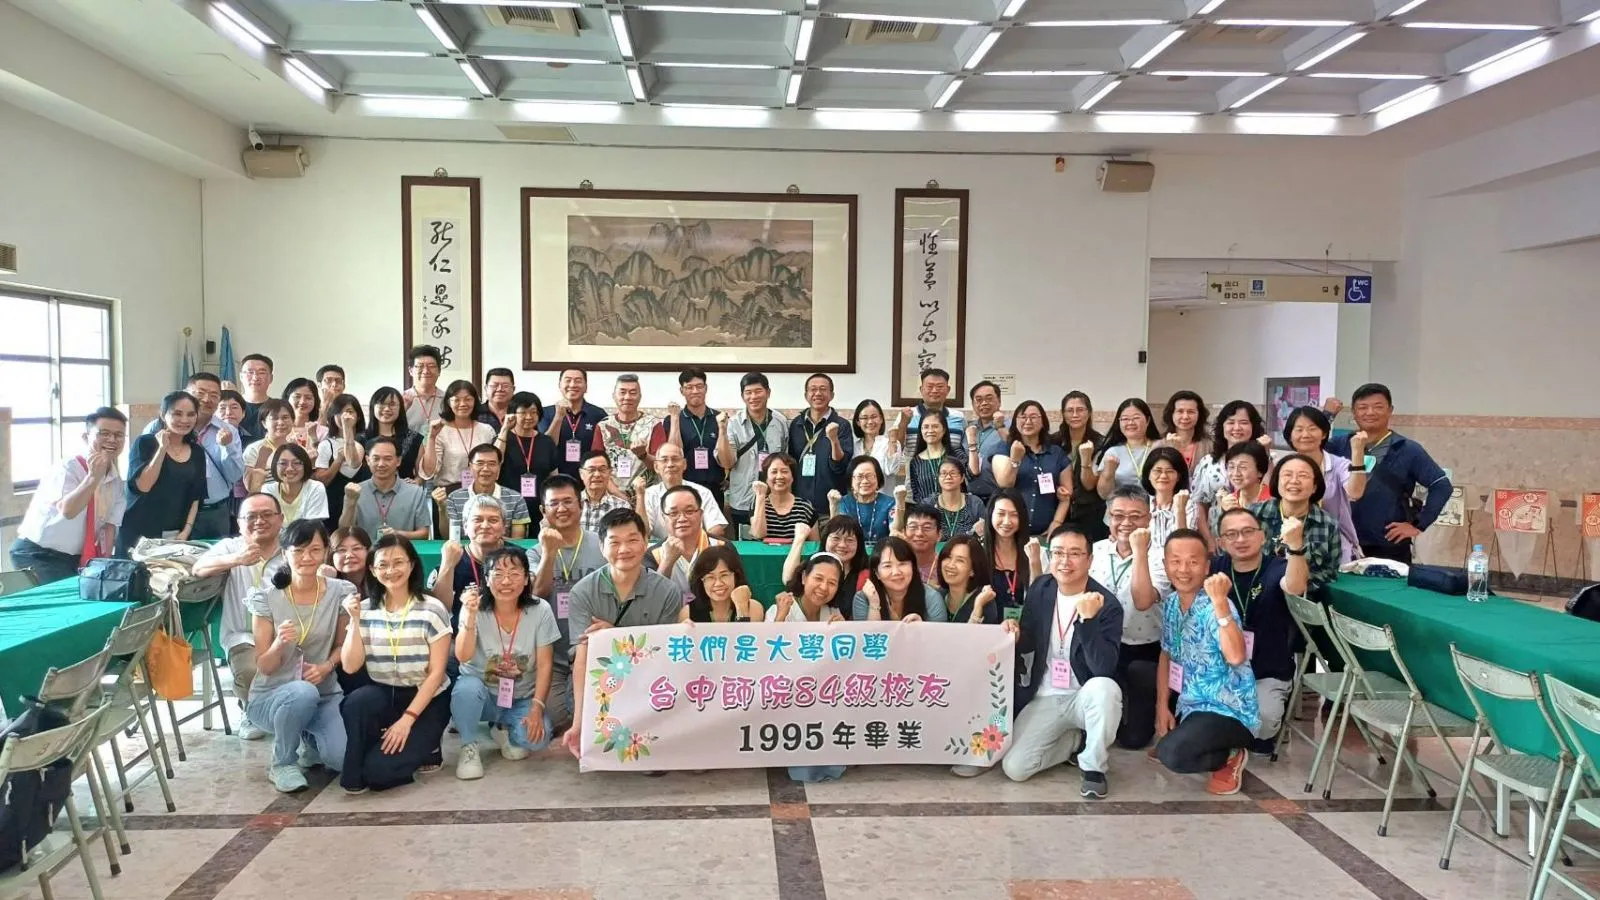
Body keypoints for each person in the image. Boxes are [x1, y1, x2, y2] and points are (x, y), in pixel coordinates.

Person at [1002, 525, 1124, 796]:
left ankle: (1094, 767)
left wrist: (1088, 621)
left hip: (1084, 697)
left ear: (1089, 560)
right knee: (1015, 768)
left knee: (1105, 688)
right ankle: (1074, 741)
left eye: (1075, 554)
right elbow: (1029, 639)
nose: (1065, 561)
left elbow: (1103, 668)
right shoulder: (1041, 588)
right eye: (1058, 553)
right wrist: (1015, 632)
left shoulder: (1107, 604)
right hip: (1046, 695)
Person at [560, 508, 690, 756]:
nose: (624, 549)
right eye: (614, 542)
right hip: (600, 680)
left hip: (648, 679)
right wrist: (578, 723)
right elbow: (583, 658)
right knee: (587, 718)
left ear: (645, 542)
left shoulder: (667, 591)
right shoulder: (583, 592)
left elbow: (662, 655)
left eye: (632, 540)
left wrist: (613, 635)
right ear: (601, 547)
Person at [244, 519, 354, 792]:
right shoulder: (266, 598)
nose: (307, 557)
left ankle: (308, 738)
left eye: (315, 550)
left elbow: (343, 645)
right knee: (302, 692)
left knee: (341, 760)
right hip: (272, 697)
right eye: (299, 550)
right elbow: (264, 666)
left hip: (325, 694)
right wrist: (279, 643)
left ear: (326, 552)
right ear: (285, 554)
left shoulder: (341, 592)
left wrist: (327, 666)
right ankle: (282, 763)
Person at [338, 534, 453, 793]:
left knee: (379, 773)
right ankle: (367, 758)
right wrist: (354, 621)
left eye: (398, 562)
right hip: (385, 692)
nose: (391, 570)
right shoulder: (365, 609)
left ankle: (428, 745)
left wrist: (407, 720)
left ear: (412, 565)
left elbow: (436, 674)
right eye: (383, 564)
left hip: (427, 698)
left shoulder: (432, 609)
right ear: (372, 569)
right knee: (357, 703)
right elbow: (350, 666)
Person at [1152, 531, 1257, 795]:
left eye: (1193, 562)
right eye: (1176, 561)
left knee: (1173, 755)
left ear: (1207, 566)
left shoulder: (1217, 607)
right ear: (1165, 565)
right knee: (1138, 675)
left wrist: (1220, 603)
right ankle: (1189, 737)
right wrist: (1161, 706)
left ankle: (1231, 754)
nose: (1183, 570)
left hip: (1227, 709)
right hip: (1191, 703)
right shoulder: (1172, 603)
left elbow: (1236, 656)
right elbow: (1166, 654)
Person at [450, 548, 558, 780]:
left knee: (536, 739)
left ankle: (502, 730)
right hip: (484, 695)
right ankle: (469, 745)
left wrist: (537, 707)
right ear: (486, 580)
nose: (506, 581)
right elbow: (462, 656)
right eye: (497, 574)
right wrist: (469, 617)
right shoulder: (474, 608)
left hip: (520, 696)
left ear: (526, 578)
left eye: (514, 574)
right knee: (466, 689)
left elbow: (545, 664)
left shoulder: (540, 610)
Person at [193, 492, 286, 740]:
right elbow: (198, 568)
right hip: (244, 636)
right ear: (239, 522)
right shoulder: (230, 547)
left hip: (288, 633)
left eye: (267, 515)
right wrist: (236, 560)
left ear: (280, 519)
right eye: (251, 516)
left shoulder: (292, 549)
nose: (259, 521)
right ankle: (251, 710)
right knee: (249, 669)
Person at [1213, 507, 1305, 754]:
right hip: (1224, 670)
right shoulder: (1215, 567)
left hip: (1267, 670)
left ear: (1263, 536)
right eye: (1231, 534)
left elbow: (1295, 586)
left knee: (1261, 725)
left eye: (1248, 531)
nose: (1240, 539)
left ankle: (1265, 719)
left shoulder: (1278, 566)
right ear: (1221, 542)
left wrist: (1296, 547)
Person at [1326, 384, 1450, 564]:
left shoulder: (1408, 449)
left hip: (1388, 545)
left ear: (1390, 410)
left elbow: (1441, 485)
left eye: (1378, 407)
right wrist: (1327, 415)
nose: (1370, 412)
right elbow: (1303, 443)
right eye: (1362, 407)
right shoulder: (1338, 445)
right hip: (1340, 542)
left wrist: (1418, 524)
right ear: (1353, 412)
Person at [526, 474, 606, 733]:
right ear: (543, 510)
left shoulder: (603, 543)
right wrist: (549, 552)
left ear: (581, 505)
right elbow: (536, 594)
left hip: (596, 650)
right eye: (554, 503)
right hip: (555, 658)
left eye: (568, 501)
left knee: (598, 714)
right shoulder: (534, 552)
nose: (561, 508)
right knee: (554, 720)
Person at [12, 408, 128, 583]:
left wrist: (105, 565)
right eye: (104, 433)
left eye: (118, 435)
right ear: (86, 437)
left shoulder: (115, 480)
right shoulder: (68, 468)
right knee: (63, 598)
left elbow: (109, 527)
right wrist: (92, 478)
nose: (112, 440)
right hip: (40, 553)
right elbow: (68, 511)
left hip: (76, 558)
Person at [1089, 486, 1162, 750]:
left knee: (1133, 740)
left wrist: (1139, 551)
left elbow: (1143, 601)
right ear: (1107, 517)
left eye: (1135, 516)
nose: (1126, 523)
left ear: (1149, 518)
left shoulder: (1162, 556)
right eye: (1118, 515)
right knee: (1104, 725)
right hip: (1104, 646)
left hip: (1145, 650)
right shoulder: (1094, 551)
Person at [143, 373, 244, 540]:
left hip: (215, 512)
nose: (207, 399)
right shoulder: (157, 429)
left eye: (214, 395)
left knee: (217, 556)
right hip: (175, 512)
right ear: (186, 393)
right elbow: (145, 472)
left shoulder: (228, 431)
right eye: (200, 393)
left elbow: (234, 476)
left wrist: (227, 447)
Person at [119, 391, 208, 555]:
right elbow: (143, 486)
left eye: (190, 414)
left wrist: (186, 531)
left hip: (177, 536)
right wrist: (162, 449)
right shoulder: (145, 443)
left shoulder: (197, 451)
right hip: (139, 534)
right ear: (163, 414)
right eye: (177, 414)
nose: (184, 420)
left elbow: (196, 496)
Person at [1245, 454, 1340, 592]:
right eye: (1287, 475)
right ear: (1277, 481)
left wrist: (1297, 581)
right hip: (1253, 593)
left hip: (1302, 597)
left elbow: (1330, 572)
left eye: (1303, 476)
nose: (1294, 481)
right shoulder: (1253, 514)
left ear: (1314, 486)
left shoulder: (1328, 524)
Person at [1284, 406, 1365, 564]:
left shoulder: (1338, 465)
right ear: (1290, 435)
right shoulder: (1283, 466)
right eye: (1299, 429)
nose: (1305, 435)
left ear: (1324, 433)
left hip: (1335, 549)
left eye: (1312, 429)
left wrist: (1357, 453)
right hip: (1292, 545)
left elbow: (1355, 493)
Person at [1190, 400, 1270, 549]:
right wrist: (1209, 540)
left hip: (1259, 539)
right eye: (1231, 422)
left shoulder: (1269, 459)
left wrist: (1265, 454)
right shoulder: (1208, 463)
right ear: (1222, 426)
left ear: (1253, 426)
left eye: (1244, 422)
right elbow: (1199, 505)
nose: (1237, 428)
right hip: (1217, 536)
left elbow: (1271, 491)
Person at [720, 372, 788, 530]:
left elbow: (786, 460)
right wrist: (722, 431)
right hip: (743, 498)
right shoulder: (733, 423)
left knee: (773, 540)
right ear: (742, 396)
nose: (753, 397)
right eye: (748, 392)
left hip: (774, 498)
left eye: (758, 391)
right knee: (744, 540)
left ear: (768, 393)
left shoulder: (780, 422)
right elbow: (727, 462)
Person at [430, 493, 507, 631]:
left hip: (507, 634)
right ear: (465, 526)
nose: (485, 525)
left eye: (493, 520)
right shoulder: (453, 556)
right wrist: (448, 565)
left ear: (504, 527)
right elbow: (439, 609)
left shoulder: (517, 558)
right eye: (477, 519)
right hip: (461, 634)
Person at [995, 400, 1071, 536]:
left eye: (1033, 417)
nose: (1028, 421)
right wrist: (1015, 460)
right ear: (1015, 421)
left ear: (1043, 422)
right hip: (1011, 530)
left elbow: (1066, 494)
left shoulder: (1056, 453)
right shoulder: (1005, 448)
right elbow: (1005, 484)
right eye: (1023, 417)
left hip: (1046, 531)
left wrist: (1057, 522)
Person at [341, 435, 433, 541]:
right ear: (368, 460)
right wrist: (350, 502)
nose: (381, 464)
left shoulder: (415, 492)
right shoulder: (355, 492)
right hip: (366, 551)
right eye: (376, 459)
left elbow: (424, 533)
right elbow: (344, 531)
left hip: (402, 550)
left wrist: (398, 534)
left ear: (398, 461)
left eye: (387, 459)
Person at [655, 368, 724, 508]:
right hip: (683, 488)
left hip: (714, 488)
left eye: (699, 386)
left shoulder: (719, 418)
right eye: (689, 387)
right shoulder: (672, 419)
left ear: (706, 388)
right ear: (682, 391)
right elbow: (674, 451)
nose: (695, 391)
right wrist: (675, 419)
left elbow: (726, 456)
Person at [644, 485, 727, 594]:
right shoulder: (653, 554)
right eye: (673, 513)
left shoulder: (721, 546)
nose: (682, 519)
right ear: (664, 518)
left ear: (701, 515)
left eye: (689, 511)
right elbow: (650, 597)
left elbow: (738, 591)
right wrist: (667, 562)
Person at [789, 373, 852, 516]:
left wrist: (834, 440)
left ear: (832, 395)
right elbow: (791, 463)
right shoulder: (796, 424)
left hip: (831, 504)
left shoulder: (842, 425)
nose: (818, 393)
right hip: (799, 505)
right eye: (813, 389)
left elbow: (840, 466)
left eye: (823, 389)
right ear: (806, 395)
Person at [494, 391, 559, 529]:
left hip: (540, 507)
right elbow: (495, 461)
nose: (529, 417)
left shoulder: (546, 442)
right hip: (508, 506)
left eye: (533, 412)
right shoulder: (503, 438)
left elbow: (554, 477)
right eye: (523, 412)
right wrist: (505, 429)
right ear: (512, 414)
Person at [637, 444, 728, 541]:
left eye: (675, 459)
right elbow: (643, 532)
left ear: (684, 464)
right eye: (664, 460)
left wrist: (696, 545)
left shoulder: (702, 492)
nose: (670, 464)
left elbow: (716, 529)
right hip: (660, 548)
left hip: (696, 547)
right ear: (656, 466)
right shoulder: (649, 494)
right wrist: (640, 496)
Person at [422, 380, 496, 495]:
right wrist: (431, 438)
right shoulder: (439, 430)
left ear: (475, 401)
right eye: (456, 400)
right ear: (448, 402)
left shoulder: (487, 430)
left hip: (482, 493)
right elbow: (429, 472)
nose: (463, 404)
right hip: (447, 494)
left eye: (468, 399)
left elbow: (495, 464)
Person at [442, 444, 532, 539]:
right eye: (480, 463)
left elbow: (517, 541)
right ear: (470, 467)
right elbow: (450, 537)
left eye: (492, 464)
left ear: (499, 468)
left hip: (503, 549)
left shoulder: (516, 499)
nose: (485, 469)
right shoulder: (454, 498)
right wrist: (442, 509)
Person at [782, 517, 868, 618]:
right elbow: (788, 579)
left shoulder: (865, 575)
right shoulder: (815, 563)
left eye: (850, 540)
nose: (842, 545)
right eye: (836, 538)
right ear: (825, 539)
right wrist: (799, 539)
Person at [1052, 391, 1107, 543]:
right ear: (1063, 414)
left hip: (1090, 512)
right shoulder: (1052, 442)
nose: (1075, 415)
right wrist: (1056, 487)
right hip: (1058, 510)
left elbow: (1090, 485)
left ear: (1089, 413)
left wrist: (1086, 459)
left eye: (1080, 410)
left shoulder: (1101, 443)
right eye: (1070, 410)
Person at [853, 536, 946, 622]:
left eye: (902, 564)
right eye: (887, 566)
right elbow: (867, 633)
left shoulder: (931, 597)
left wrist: (921, 628)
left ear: (913, 567)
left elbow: (939, 634)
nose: (896, 572)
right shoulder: (863, 598)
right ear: (877, 573)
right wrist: (874, 605)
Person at [593, 374, 657, 497]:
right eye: (622, 392)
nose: (627, 397)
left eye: (633, 393)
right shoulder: (603, 426)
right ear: (614, 396)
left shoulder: (653, 424)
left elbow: (660, 465)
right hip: (611, 495)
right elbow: (597, 467)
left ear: (640, 397)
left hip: (646, 495)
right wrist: (618, 494)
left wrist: (643, 455)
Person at [541, 367, 608, 480]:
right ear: (559, 385)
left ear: (586, 387)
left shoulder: (598, 414)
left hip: (589, 478)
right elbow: (546, 446)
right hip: (554, 478)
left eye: (578, 381)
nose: (572, 385)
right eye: (568, 380)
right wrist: (558, 417)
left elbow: (604, 451)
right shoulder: (545, 413)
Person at [313, 394, 368, 528]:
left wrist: (347, 429)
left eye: (349, 411)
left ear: (358, 416)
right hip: (332, 505)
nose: (344, 416)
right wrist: (338, 461)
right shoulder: (326, 444)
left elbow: (353, 463)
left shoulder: (363, 441)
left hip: (361, 505)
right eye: (339, 412)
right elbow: (322, 480)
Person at [1093, 398, 1162, 499]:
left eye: (1136, 418)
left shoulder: (1160, 447)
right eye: (1125, 419)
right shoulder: (1113, 452)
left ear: (1147, 420)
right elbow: (1104, 494)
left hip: (1154, 507)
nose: (1130, 422)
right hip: (1121, 507)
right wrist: (1109, 472)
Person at [983, 489, 1035, 619]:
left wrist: (1035, 562)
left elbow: (1041, 597)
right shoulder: (978, 552)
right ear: (990, 514)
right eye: (1001, 514)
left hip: (1026, 627)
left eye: (1014, 515)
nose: (1007, 521)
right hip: (987, 627)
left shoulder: (1035, 551)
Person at [1207, 442, 1273, 537]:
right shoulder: (1229, 501)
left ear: (1260, 471)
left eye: (1243, 467)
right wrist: (1223, 512)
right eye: (1231, 467)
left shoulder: (1272, 500)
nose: (1236, 473)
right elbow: (1218, 536)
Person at [683, 544, 763, 623]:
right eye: (710, 577)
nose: (718, 583)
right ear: (701, 581)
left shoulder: (753, 608)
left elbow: (744, 631)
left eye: (724, 575)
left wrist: (742, 608)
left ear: (736, 576)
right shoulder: (687, 613)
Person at [899, 368, 967, 458]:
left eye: (940, 387)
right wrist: (903, 425)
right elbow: (896, 449)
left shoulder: (959, 417)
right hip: (915, 466)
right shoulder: (907, 415)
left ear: (948, 390)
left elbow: (965, 450)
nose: (934, 390)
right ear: (921, 389)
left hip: (950, 466)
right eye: (930, 386)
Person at [363, 387, 427, 482]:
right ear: (373, 407)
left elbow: (421, 475)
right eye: (381, 404)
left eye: (392, 404)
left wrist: (416, 483)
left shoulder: (415, 438)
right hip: (367, 490)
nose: (387, 409)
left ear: (400, 408)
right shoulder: (362, 438)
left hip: (404, 490)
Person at [1142, 447, 1198, 552]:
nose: (1163, 476)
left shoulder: (1188, 504)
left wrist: (1180, 510)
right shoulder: (1141, 504)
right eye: (1158, 471)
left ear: (1178, 476)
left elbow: (1185, 544)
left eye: (1170, 471)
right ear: (1148, 475)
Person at [934, 534, 999, 624]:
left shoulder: (985, 600)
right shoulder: (935, 596)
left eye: (960, 560)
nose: (951, 565)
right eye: (948, 557)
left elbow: (974, 633)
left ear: (973, 570)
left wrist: (978, 606)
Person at [750, 453, 815, 542]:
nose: (779, 476)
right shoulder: (758, 503)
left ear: (792, 477)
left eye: (784, 471)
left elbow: (815, 544)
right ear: (766, 478)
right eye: (774, 472)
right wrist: (761, 496)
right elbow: (758, 534)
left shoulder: (805, 507)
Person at [830, 456, 896, 542]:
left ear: (878, 478)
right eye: (859, 476)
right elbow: (835, 534)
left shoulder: (890, 503)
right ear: (851, 480)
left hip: (882, 549)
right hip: (850, 549)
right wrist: (833, 506)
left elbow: (896, 532)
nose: (865, 481)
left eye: (870, 476)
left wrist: (900, 503)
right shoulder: (843, 502)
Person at [768, 553, 847, 624]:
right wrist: (780, 618)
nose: (824, 587)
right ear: (804, 577)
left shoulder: (834, 613)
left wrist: (843, 628)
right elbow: (769, 635)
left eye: (832, 583)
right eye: (818, 578)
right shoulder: (780, 610)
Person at [963, 380, 1008, 503]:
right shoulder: (968, 429)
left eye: (989, 399)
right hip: (970, 499)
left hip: (999, 498)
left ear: (999, 401)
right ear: (973, 405)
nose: (984, 403)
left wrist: (1001, 427)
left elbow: (1014, 448)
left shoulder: (1009, 427)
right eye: (978, 400)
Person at [262, 444, 329, 525]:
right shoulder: (267, 490)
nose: (289, 468)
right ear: (275, 466)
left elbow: (311, 527)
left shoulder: (315, 488)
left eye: (296, 463)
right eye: (283, 463)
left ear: (305, 465)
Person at [905, 407, 958, 505]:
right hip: (925, 512)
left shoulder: (954, 456)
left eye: (935, 426)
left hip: (953, 510)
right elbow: (916, 494)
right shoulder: (915, 462)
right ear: (921, 430)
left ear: (944, 430)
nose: (930, 430)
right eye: (925, 427)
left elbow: (963, 487)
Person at [244, 400, 296, 494]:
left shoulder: (296, 448)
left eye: (285, 417)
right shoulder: (254, 449)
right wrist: (262, 460)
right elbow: (251, 488)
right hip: (265, 500)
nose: (280, 422)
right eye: (274, 418)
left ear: (293, 421)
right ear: (264, 423)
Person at [852, 399, 904, 490]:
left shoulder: (891, 443)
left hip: (884, 497)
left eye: (874, 417)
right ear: (858, 422)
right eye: (864, 418)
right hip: (858, 497)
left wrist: (892, 441)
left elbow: (891, 469)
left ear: (881, 419)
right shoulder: (854, 446)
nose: (870, 422)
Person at [931, 457, 986, 540]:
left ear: (962, 477)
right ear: (938, 478)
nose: (948, 477)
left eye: (953, 473)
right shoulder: (929, 504)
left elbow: (985, 534)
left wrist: (982, 530)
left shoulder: (975, 503)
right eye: (943, 473)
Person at [577, 452, 631, 532]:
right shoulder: (572, 503)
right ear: (581, 474)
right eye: (591, 470)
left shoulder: (621, 507)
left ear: (609, 473)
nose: (597, 474)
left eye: (602, 470)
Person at [1162, 390, 1211, 471]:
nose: (1185, 416)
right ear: (1171, 414)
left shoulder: (1210, 446)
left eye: (1191, 412)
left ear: (1199, 415)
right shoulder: (1160, 445)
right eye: (1180, 411)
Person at [402, 344, 445, 432]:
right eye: (420, 366)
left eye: (431, 366)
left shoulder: (448, 400)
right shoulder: (401, 399)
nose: (426, 371)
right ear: (410, 370)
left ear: (439, 371)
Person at [898, 503, 943, 583]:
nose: (919, 533)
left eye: (927, 527)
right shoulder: (895, 567)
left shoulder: (946, 568)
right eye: (913, 527)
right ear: (904, 533)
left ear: (939, 535)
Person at [237, 353, 275, 445]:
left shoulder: (277, 408)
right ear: (241, 377)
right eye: (250, 372)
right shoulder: (231, 406)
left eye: (261, 373)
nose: (255, 377)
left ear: (271, 378)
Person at [282, 377, 328, 448]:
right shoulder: (279, 427)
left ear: (315, 401)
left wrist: (314, 438)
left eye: (308, 398)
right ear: (287, 398)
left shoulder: (323, 431)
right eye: (297, 396)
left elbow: (325, 454)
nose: (302, 402)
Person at [476, 368, 516, 432]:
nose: (500, 389)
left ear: (513, 389)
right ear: (486, 389)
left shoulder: (519, 413)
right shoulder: (475, 413)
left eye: (505, 386)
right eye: (494, 385)